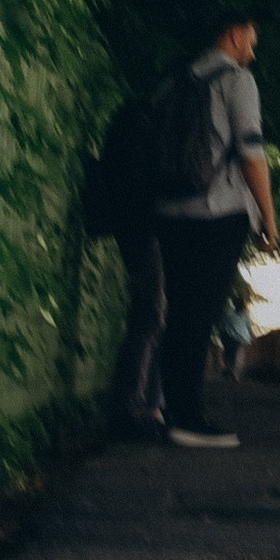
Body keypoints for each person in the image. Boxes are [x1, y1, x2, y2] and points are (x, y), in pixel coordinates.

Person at [153, 15, 278, 451]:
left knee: (178, 312)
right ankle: (186, 418)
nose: (252, 51)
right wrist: (268, 217)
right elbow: (250, 152)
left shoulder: (177, 77)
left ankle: (171, 411)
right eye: (251, 39)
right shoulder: (237, 80)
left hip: (168, 208)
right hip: (217, 211)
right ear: (233, 32)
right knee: (199, 313)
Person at [83, 85, 167, 439]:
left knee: (155, 311)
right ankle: (130, 409)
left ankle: (146, 406)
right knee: (152, 310)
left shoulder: (139, 116)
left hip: (139, 222)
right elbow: (139, 183)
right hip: (142, 224)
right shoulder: (145, 121)